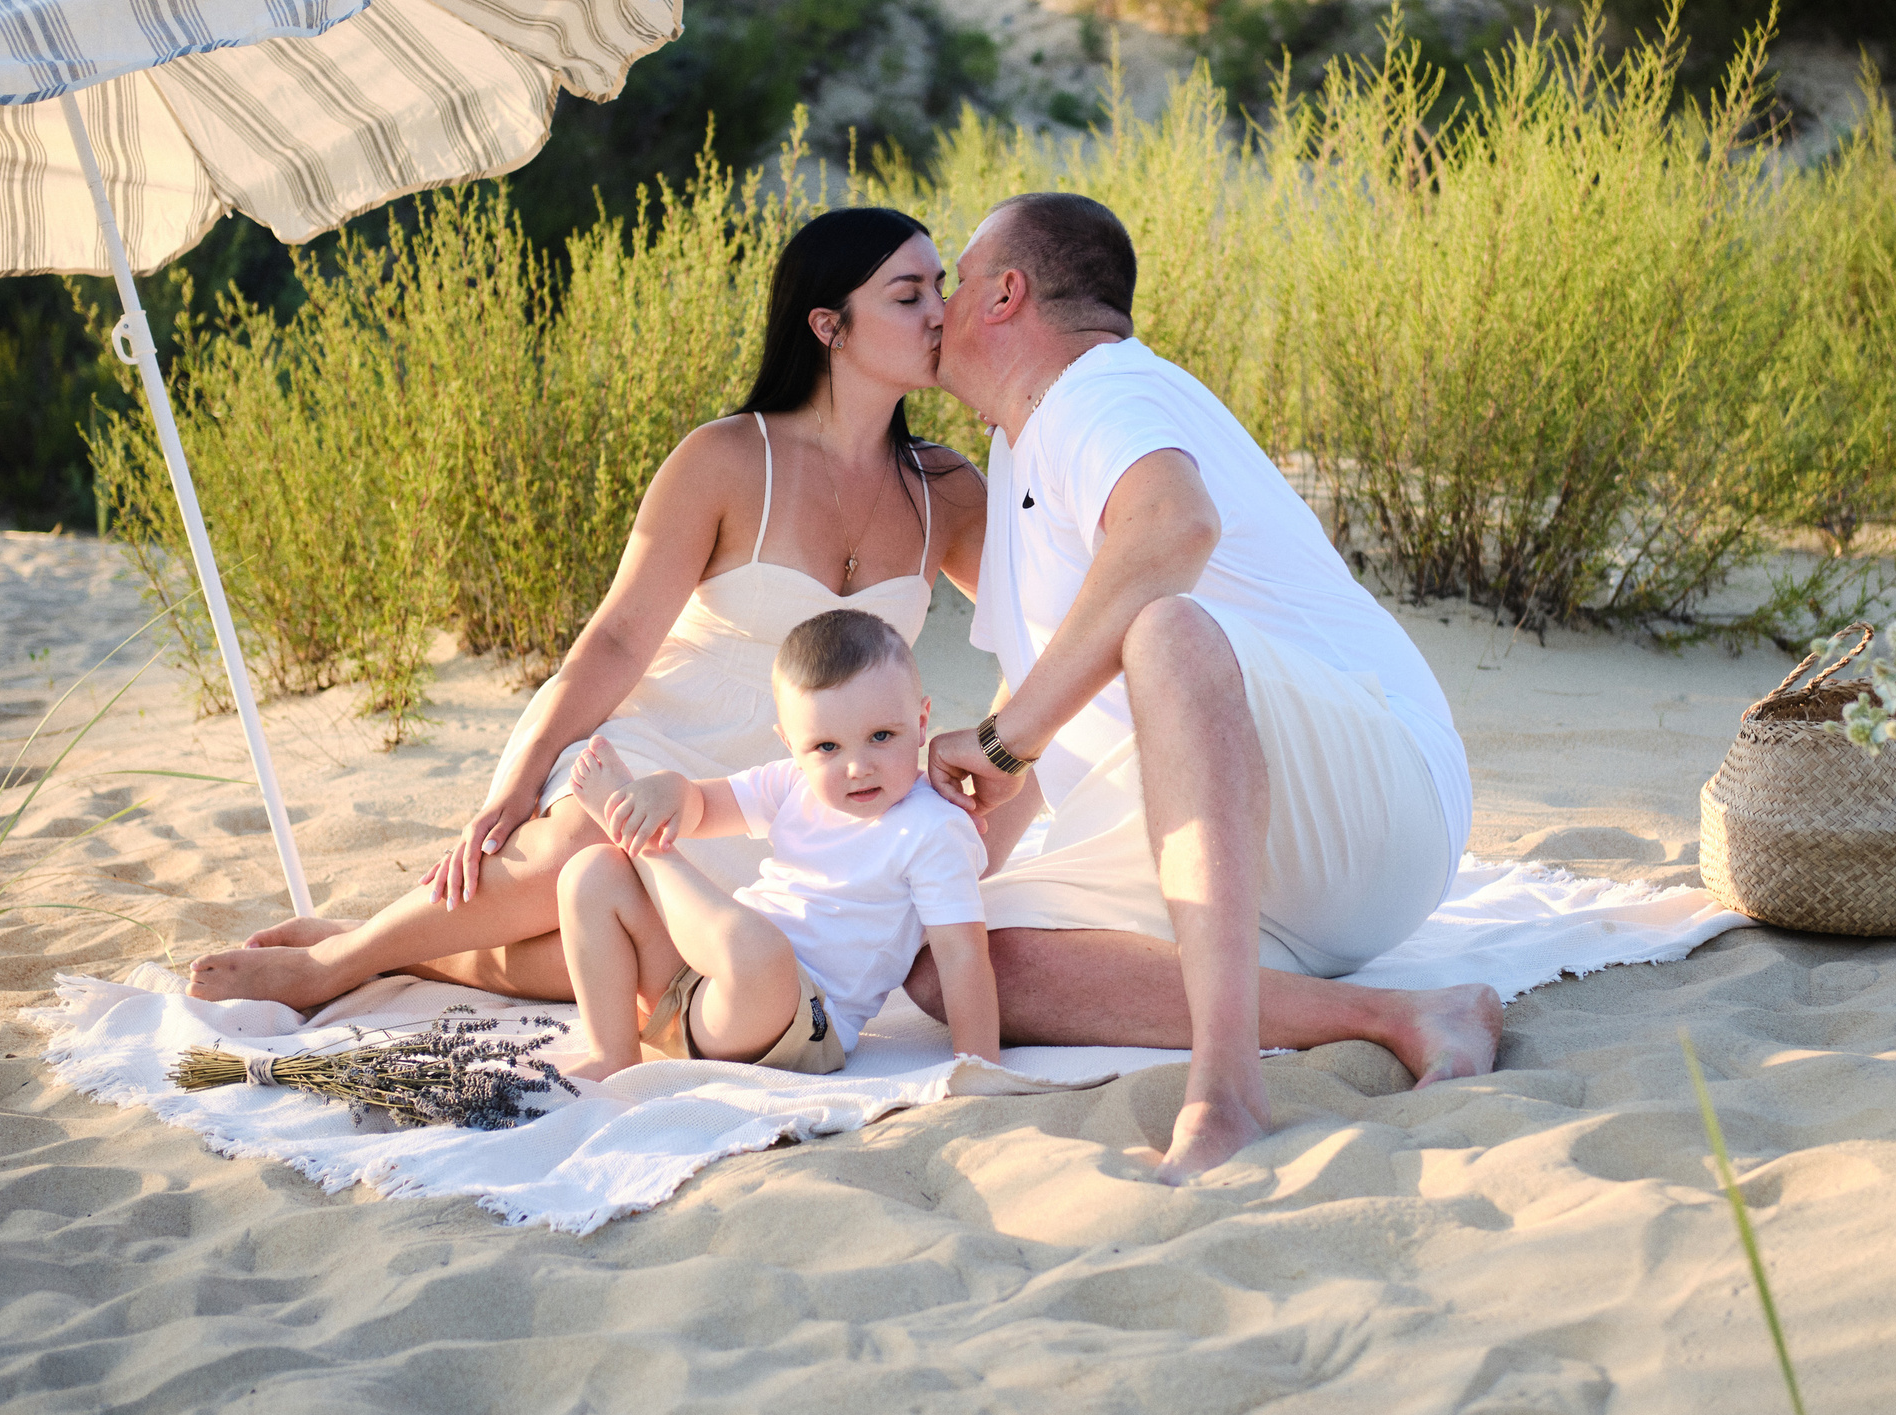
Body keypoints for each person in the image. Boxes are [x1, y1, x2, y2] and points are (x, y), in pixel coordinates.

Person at [184, 207, 987, 1010]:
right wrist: (521, 778)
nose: (940, 313)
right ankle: (338, 964)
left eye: (940, 288)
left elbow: (1039, 630)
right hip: (657, 741)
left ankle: (395, 948)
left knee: (621, 962)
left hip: (791, 794)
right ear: (828, 325)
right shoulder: (728, 457)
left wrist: (993, 752)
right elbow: (617, 639)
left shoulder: (945, 489)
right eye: (909, 295)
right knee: (584, 841)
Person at [911, 192, 1502, 1184]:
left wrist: (1009, 736)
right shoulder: (1020, 449)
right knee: (951, 958)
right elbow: (1055, 702)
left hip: (1373, 796)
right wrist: (939, 866)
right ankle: (1402, 1015)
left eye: (953, 282)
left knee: (1169, 627)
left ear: (1006, 294)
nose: (939, 306)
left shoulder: (1096, 388)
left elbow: (1175, 527)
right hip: (1250, 869)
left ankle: (1226, 1093)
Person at [555, 609, 997, 1078]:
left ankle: (642, 846)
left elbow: (962, 955)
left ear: (922, 721)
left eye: (881, 736)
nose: (857, 767)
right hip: (701, 989)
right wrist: (674, 791)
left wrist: (980, 1065)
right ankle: (612, 1051)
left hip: (798, 1016)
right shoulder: (794, 783)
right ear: (789, 743)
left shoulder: (934, 828)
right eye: (827, 747)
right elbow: (705, 807)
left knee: (759, 950)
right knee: (591, 870)